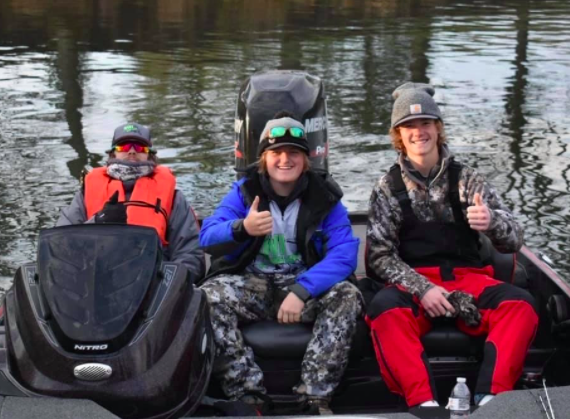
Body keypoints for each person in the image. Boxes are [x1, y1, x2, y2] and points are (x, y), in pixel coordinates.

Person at [365, 83, 538, 409]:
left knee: (522, 305)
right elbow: (378, 256)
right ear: (398, 135)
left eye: (426, 123)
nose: (419, 132)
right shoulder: (386, 188)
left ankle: (491, 400)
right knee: (384, 311)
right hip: (415, 284)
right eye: (409, 126)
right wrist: (422, 289)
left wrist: (491, 223)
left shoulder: (468, 179)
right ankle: (424, 405)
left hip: (469, 280)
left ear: (438, 128)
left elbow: (515, 238)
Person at [199, 112, 362, 414]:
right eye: (276, 152)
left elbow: (344, 254)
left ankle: (315, 396)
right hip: (254, 284)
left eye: (293, 153)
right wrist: (242, 228)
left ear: (306, 159)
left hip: (302, 284)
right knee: (206, 298)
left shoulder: (325, 197)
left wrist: (302, 291)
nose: (284, 160)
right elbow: (207, 236)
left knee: (347, 295)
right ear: (264, 157)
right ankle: (248, 396)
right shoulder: (243, 191)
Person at [57, 122, 204, 279]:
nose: (132, 151)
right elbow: (62, 245)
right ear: (113, 154)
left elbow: (190, 251)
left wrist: (169, 283)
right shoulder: (86, 193)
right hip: (97, 278)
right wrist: (98, 222)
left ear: (149, 154)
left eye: (140, 147)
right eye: (124, 147)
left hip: (153, 281)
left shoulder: (174, 198)